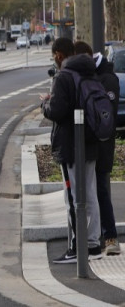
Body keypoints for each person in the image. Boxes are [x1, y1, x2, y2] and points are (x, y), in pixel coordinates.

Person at [42, 37, 104, 262]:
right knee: (90, 194)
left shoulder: (63, 77)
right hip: (90, 143)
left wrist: (44, 104)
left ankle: (77, 248)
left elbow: (57, 111)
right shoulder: (88, 72)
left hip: (70, 145)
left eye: (54, 56)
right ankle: (94, 244)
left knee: (74, 198)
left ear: (59, 54)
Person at [74, 40, 121, 256]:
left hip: (102, 143)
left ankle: (110, 236)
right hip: (92, 143)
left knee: (100, 188)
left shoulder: (107, 78)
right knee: (93, 190)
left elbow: (106, 116)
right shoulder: (90, 76)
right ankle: (99, 236)